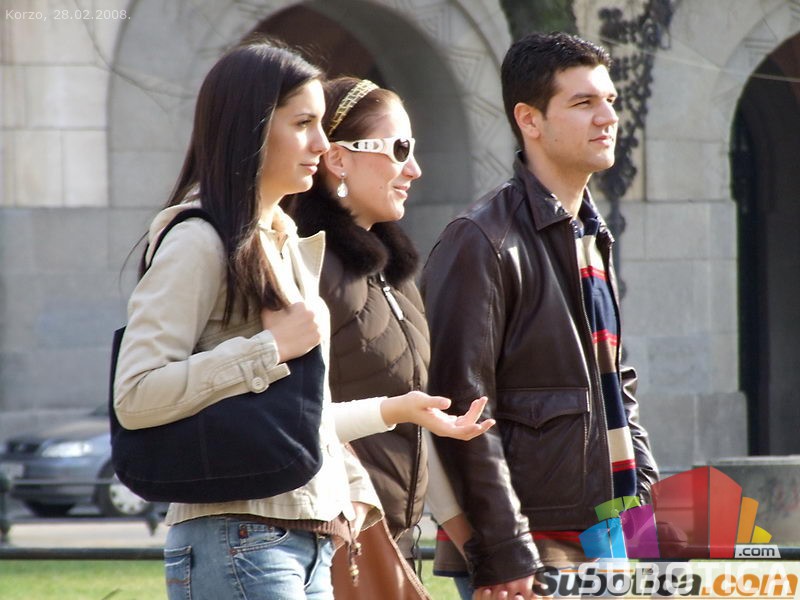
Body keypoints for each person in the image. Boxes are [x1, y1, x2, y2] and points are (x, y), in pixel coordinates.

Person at [113, 38, 491, 600]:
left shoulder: (284, 243)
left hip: (306, 541)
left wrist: (396, 411)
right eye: (303, 124)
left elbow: (290, 421)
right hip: (239, 538)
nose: (319, 142)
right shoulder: (197, 240)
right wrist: (267, 349)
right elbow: (136, 394)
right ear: (249, 129)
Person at [421, 32, 660, 599]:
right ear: (529, 119)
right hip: (529, 550)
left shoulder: (590, 232)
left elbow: (612, 382)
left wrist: (643, 490)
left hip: (607, 531)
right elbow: (462, 411)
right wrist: (505, 552)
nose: (607, 118)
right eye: (583, 103)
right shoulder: (481, 239)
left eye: (610, 101)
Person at [285, 76, 494, 597]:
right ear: (339, 159)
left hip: (390, 543)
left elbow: (416, 420)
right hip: (326, 549)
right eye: (399, 149)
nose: (414, 169)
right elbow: (290, 419)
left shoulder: (394, 276)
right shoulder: (304, 265)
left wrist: (472, 542)